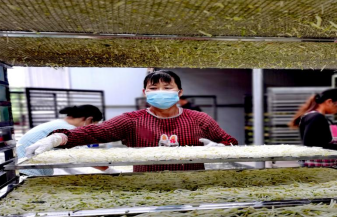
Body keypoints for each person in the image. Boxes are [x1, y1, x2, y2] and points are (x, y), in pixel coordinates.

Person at [25, 70, 238, 172]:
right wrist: (59, 138)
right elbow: (93, 133)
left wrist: (220, 148)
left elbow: (230, 141)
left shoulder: (199, 119)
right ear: (145, 93)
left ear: (179, 92)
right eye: (153, 89)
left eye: (167, 87)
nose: (160, 92)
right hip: (145, 189)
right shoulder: (131, 121)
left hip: (194, 187)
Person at [17, 105, 104, 176]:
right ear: (88, 120)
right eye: (92, 126)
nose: (88, 129)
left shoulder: (60, 123)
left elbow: (68, 159)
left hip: (29, 165)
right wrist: (108, 169)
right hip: (29, 168)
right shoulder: (67, 129)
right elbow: (83, 156)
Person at [289, 88, 337, 167]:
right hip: (316, 167)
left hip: (322, 166)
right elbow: (312, 145)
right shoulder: (316, 117)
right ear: (329, 102)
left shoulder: (317, 117)